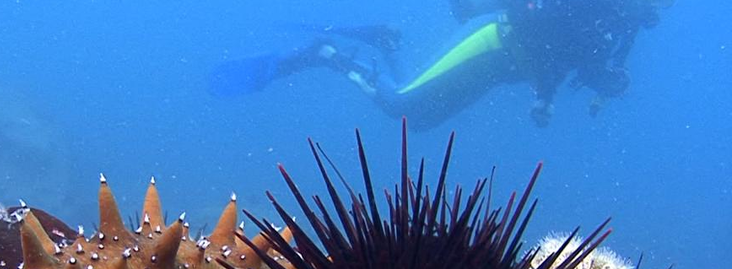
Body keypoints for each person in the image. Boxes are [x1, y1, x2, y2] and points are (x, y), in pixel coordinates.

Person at [209, 0, 673, 130]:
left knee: (421, 119)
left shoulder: (618, 27)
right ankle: (326, 55)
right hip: (491, 48)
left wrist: (546, 99)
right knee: (399, 104)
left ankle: (387, 40)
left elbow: (561, 64)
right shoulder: (593, 10)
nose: (661, 9)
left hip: (501, 71)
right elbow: (535, 22)